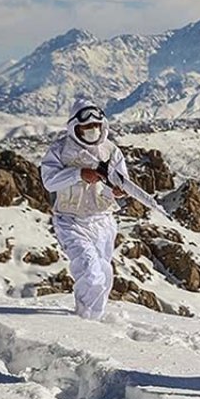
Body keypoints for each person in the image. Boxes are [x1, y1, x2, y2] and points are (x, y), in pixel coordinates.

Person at [40, 99, 130, 320]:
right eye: (86, 126)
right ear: (74, 127)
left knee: (105, 273)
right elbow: (49, 181)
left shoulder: (110, 150)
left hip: (103, 221)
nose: (92, 130)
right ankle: (81, 318)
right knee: (91, 272)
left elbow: (121, 182)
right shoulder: (59, 150)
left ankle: (94, 319)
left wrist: (117, 191)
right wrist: (78, 174)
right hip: (71, 221)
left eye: (96, 125)